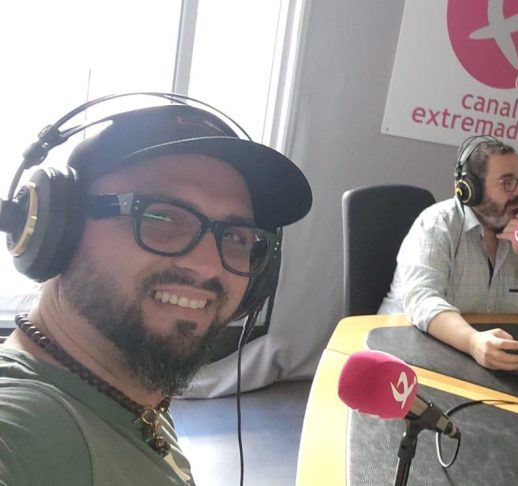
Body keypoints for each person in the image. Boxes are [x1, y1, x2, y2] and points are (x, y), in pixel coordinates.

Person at [0, 99, 312, 485]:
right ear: (57, 230)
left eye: (234, 236)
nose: (208, 265)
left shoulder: (131, 389)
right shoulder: (25, 427)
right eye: (161, 216)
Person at [379, 136, 518, 371]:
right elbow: (422, 300)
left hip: (466, 363)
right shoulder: (437, 225)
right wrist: (473, 342)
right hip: (402, 356)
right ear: (471, 189)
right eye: (507, 183)